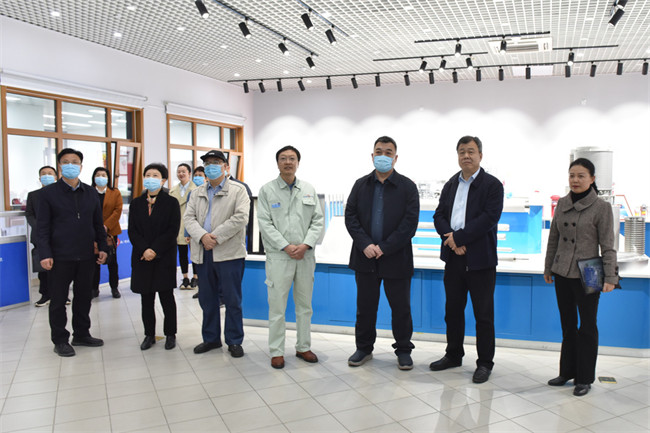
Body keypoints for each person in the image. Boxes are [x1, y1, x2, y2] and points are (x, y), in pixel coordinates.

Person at [429, 136, 504, 384]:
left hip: (481, 260)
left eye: (471, 151)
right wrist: (451, 239)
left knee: (483, 315)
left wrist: (459, 238)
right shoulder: (451, 184)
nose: (466, 156)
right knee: (452, 311)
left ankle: (485, 363)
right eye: (462, 152)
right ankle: (453, 355)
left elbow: (489, 218)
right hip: (453, 259)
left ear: (480, 155)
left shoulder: (492, 185)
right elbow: (438, 215)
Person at [544, 158, 618, 397]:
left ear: (592, 179)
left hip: (590, 272)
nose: (575, 180)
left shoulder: (601, 207)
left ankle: (584, 378)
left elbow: (608, 245)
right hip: (562, 271)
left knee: (587, 326)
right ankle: (566, 371)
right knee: (567, 325)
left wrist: (611, 276)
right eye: (572, 175)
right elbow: (553, 239)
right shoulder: (562, 203)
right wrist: (548, 268)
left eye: (581, 176)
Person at [344, 136, 420, 370]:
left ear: (395, 158)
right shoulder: (360, 185)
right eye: (379, 152)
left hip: (396, 258)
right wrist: (365, 244)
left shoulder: (407, 187)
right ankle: (364, 348)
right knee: (365, 308)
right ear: (372, 156)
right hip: (365, 257)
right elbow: (351, 217)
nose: (383, 156)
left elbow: (409, 223)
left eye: (388, 152)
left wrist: (385, 247)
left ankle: (404, 350)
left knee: (401, 309)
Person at [257, 146, 324, 369]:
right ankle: (276, 351)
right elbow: (265, 223)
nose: (288, 162)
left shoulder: (308, 189)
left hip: (305, 256)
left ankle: (303, 347)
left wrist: (305, 245)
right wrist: (285, 246)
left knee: (305, 306)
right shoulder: (267, 190)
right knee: (277, 307)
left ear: (298, 163)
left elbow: (317, 221)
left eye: (292, 158)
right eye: (283, 158)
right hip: (279, 257)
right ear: (277, 163)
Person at [37, 148, 108, 357]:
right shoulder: (48, 194)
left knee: (84, 296)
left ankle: (81, 334)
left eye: (75, 162)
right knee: (58, 299)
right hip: (59, 256)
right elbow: (42, 227)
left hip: (86, 254)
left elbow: (98, 224)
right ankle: (60, 339)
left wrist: (103, 247)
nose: (70, 165)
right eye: (66, 161)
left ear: (81, 167)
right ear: (60, 166)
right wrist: (45, 253)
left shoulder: (90, 192)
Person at [184, 150, 250, 357]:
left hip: (229, 254)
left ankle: (234, 341)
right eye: (207, 163)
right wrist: (203, 236)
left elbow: (241, 218)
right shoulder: (196, 192)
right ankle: (211, 339)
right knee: (207, 299)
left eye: (216, 162)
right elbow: (188, 219)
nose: (211, 166)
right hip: (203, 253)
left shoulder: (238, 190)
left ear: (226, 167)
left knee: (232, 300)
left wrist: (215, 237)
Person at [128, 163, 181, 350]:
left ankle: (170, 334)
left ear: (163, 180)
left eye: (155, 175)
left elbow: (172, 230)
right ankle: (149, 334)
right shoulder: (136, 203)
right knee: (146, 299)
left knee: (167, 298)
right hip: (142, 258)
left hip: (163, 257)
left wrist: (154, 250)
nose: (150, 178)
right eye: (147, 175)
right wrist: (144, 249)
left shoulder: (171, 203)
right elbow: (133, 231)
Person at [26, 165, 58, 307]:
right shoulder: (33, 195)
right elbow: (29, 214)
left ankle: (61, 295)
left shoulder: (61, 194)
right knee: (43, 268)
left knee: (60, 268)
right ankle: (45, 295)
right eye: (44, 174)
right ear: (39, 178)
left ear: (55, 177)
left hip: (59, 236)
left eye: (50, 173)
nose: (47, 176)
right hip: (40, 236)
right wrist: (40, 227)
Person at [91, 167, 123, 299]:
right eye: (98, 175)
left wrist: (106, 225)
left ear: (108, 178)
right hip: (92, 232)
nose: (100, 177)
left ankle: (114, 288)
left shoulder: (115, 192)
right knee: (94, 262)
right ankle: (94, 289)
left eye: (103, 175)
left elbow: (117, 210)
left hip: (110, 232)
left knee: (112, 261)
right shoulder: (89, 192)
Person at [169, 163, 198, 290]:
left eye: (183, 171)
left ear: (189, 173)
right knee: (182, 253)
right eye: (179, 171)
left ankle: (195, 277)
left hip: (192, 224)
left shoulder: (196, 189)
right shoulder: (173, 190)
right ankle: (185, 277)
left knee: (195, 253)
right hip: (178, 226)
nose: (181, 174)